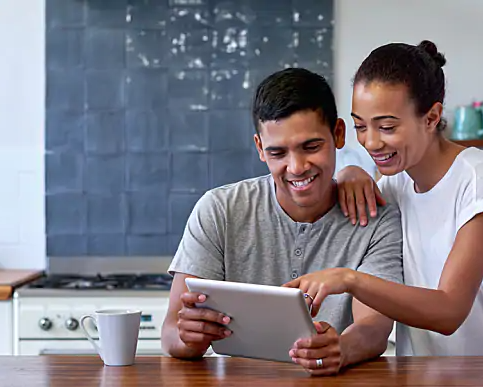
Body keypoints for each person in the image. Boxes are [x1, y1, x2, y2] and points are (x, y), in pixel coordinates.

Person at [284, 40, 483, 357]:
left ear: (432, 117)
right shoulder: (394, 184)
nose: (371, 142)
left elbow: (449, 311)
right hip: (427, 376)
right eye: (360, 126)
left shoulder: (481, 180)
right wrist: (351, 171)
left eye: (387, 126)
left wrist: (350, 280)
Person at [161, 67, 404, 375]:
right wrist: (189, 338)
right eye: (278, 152)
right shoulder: (219, 210)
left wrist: (341, 349)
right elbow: (171, 332)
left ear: (338, 134)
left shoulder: (376, 218)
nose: (297, 167)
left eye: (311, 147)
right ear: (260, 148)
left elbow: (374, 327)